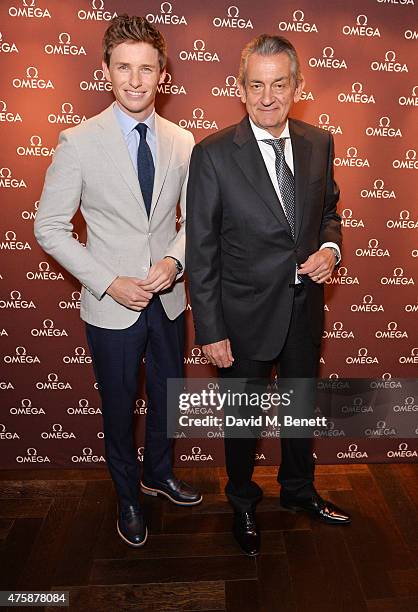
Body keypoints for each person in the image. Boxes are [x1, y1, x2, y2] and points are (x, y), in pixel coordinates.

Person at [35, 14, 201, 549]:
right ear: (105, 70)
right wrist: (108, 281)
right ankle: (127, 496)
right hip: (113, 305)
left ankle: (158, 473)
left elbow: (195, 220)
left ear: (163, 75)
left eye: (146, 68)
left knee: (168, 395)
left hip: (170, 297)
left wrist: (175, 263)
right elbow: (49, 227)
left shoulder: (182, 140)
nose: (135, 79)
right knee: (119, 404)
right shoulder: (78, 141)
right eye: (124, 67)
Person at [186, 34, 350, 557]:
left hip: (304, 310)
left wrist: (331, 248)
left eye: (280, 84)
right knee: (243, 421)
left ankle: (299, 492)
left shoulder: (319, 142)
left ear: (298, 86)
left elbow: (330, 213)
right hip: (241, 316)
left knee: (300, 409)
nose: (267, 96)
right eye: (256, 85)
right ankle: (242, 502)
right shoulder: (212, 154)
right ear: (239, 89)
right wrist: (210, 330)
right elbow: (202, 248)